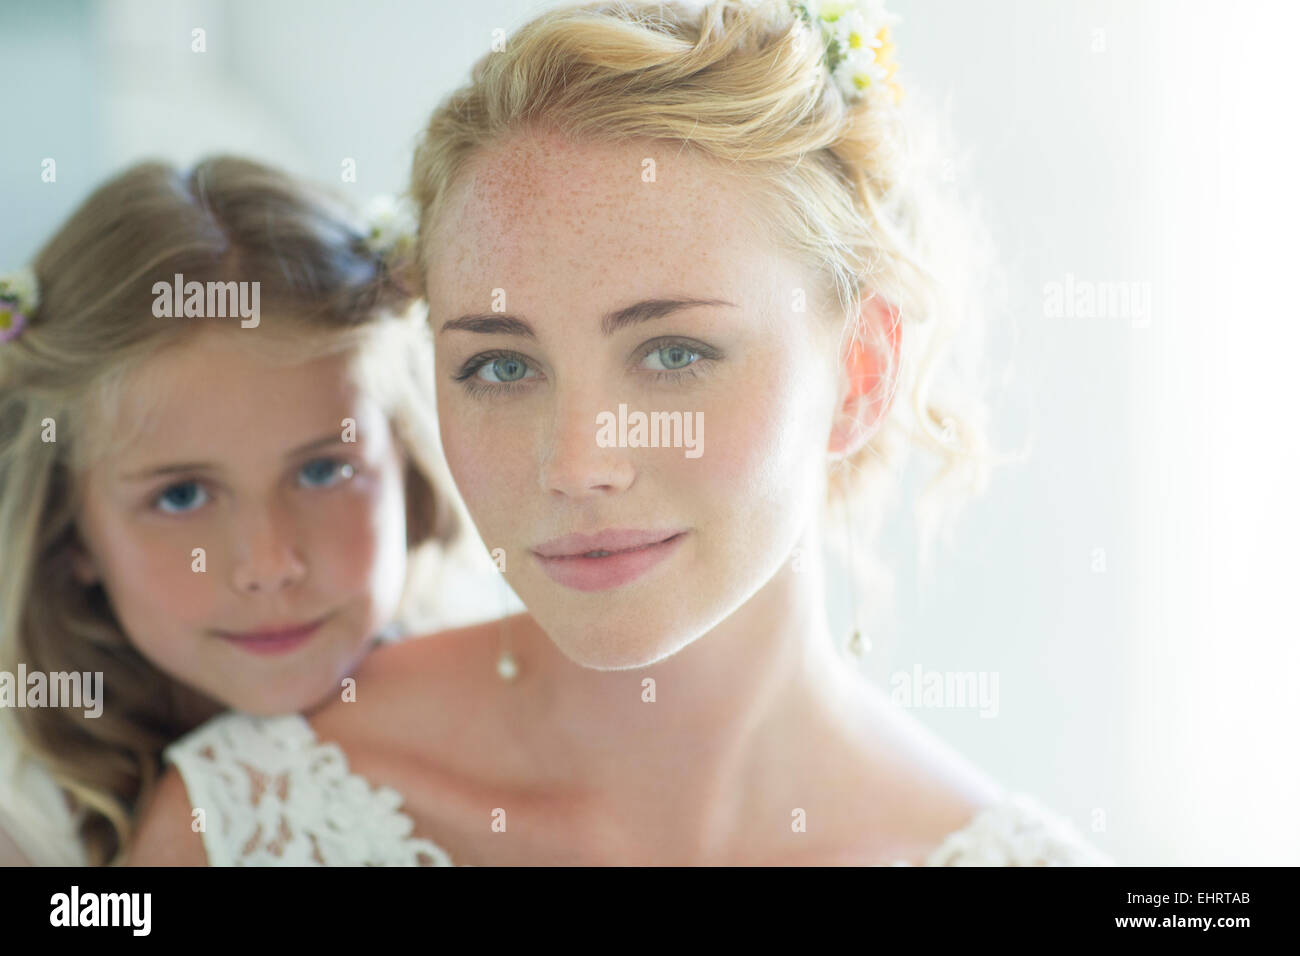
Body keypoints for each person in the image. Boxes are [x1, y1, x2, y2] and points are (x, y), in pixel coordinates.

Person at [128, 0, 1112, 866]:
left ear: (860, 372)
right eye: (501, 366)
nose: (577, 462)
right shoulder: (255, 815)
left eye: (675, 353)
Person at [0, 156, 465, 866]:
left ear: (407, 467)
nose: (269, 564)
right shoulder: (24, 813)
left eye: (322, 470)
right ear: (74, 537)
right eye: (180, 495)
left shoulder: (491, 702)